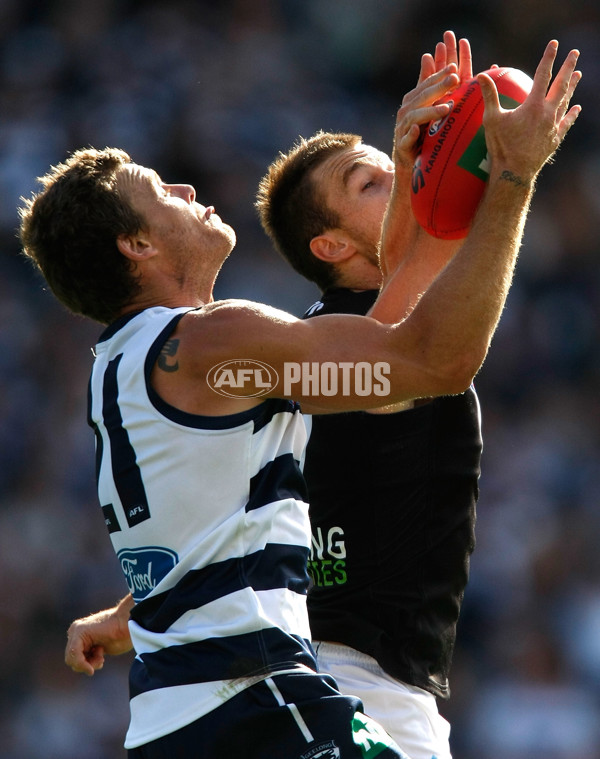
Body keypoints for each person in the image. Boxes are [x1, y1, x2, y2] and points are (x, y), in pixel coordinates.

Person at [32, 38, 580, 758]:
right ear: (136, 245)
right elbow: (432, 358)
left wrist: (132, 615)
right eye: (164, 191)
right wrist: (513, 176)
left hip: (175, 716)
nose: (191, 191)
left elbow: (216, 520)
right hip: (257, 701)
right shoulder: (217, 342)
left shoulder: (124, 362)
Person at [253, 33, 479, 759]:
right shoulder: (353, 337)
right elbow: (391, 347)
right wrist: (504, 174)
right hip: (361, 688)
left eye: (396, 169)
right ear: (331, 247)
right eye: (371, 182)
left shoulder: (313, 345)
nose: (402, 179)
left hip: (335, 681)